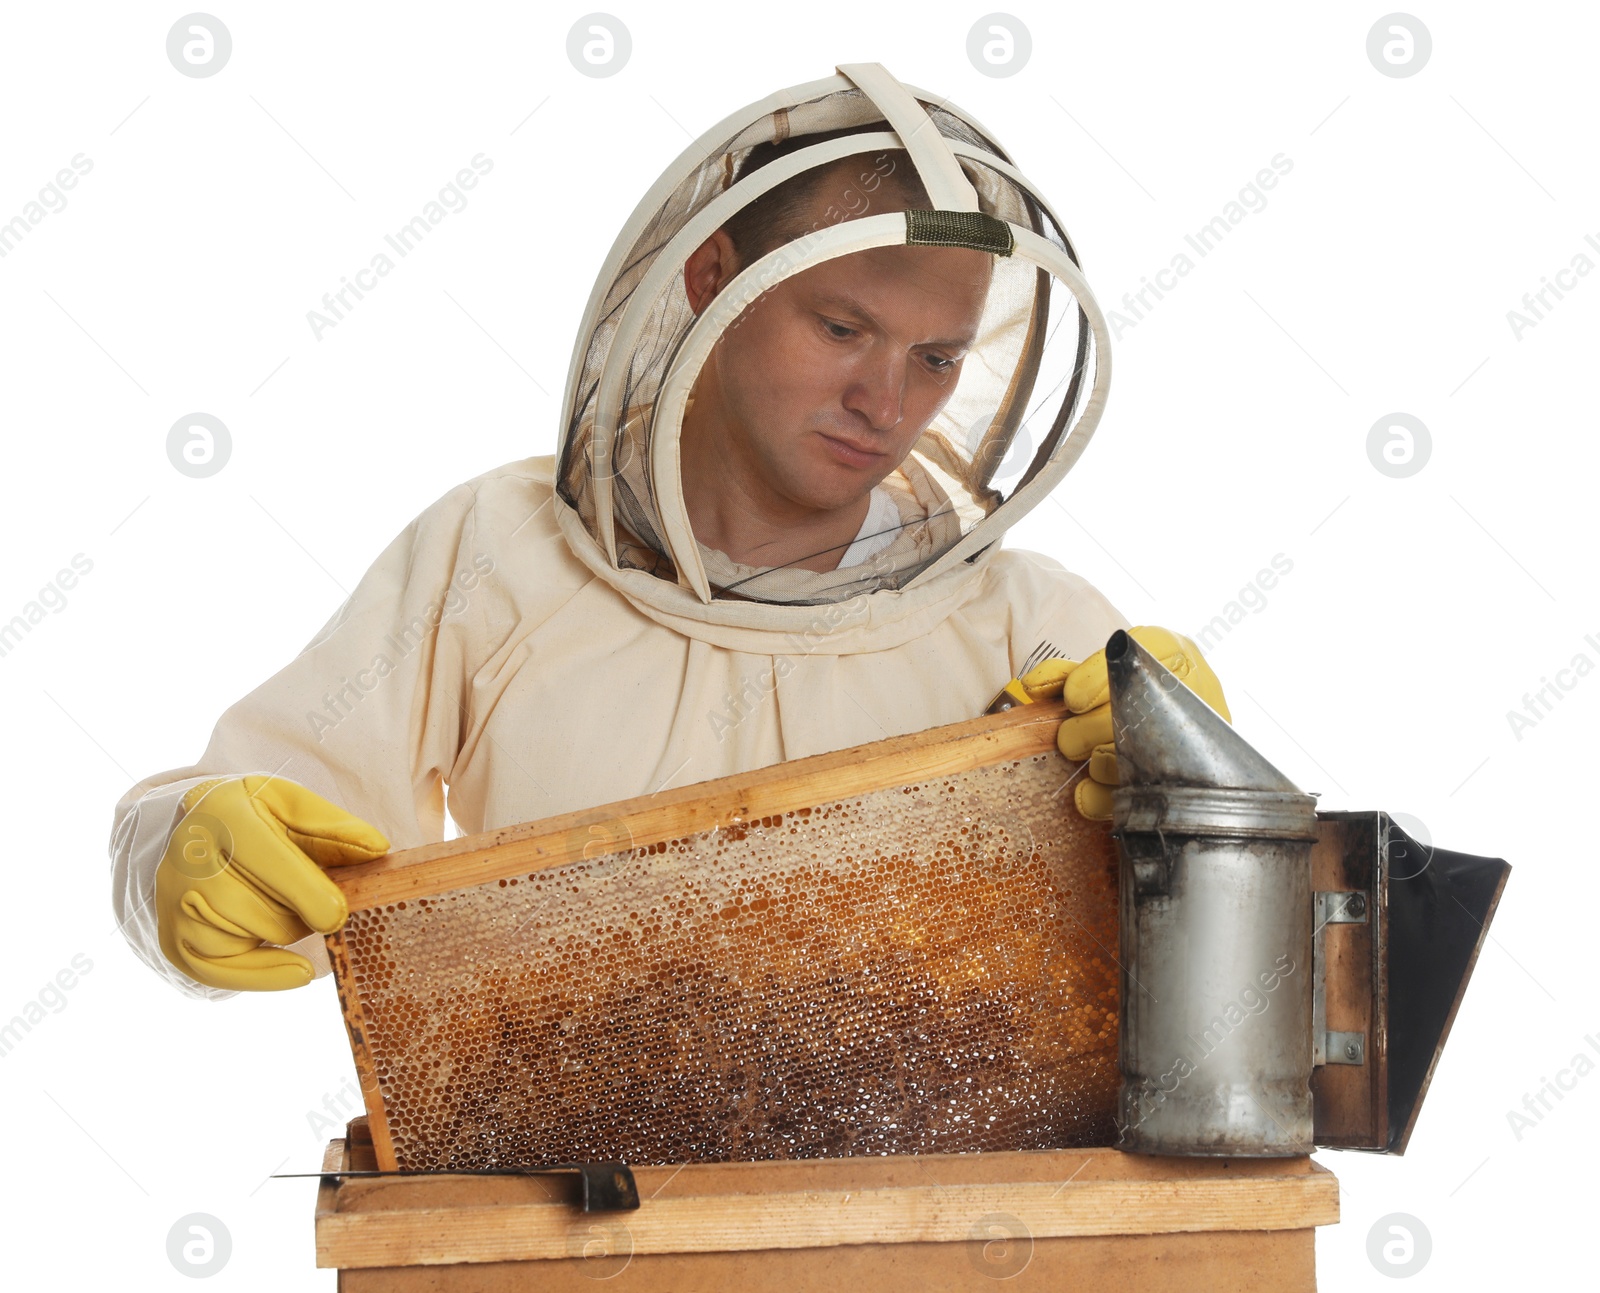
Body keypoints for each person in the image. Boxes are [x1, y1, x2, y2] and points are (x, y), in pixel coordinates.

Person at [109, 64, 1229, 998]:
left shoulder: (1033, 632)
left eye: (936, 358)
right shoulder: (498, 554)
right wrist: (178, 857)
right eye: (842, 326)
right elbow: (276, 829)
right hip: (568, 1224)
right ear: (713, 280)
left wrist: (1196, 793)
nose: (885, 402)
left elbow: (1206, 966)